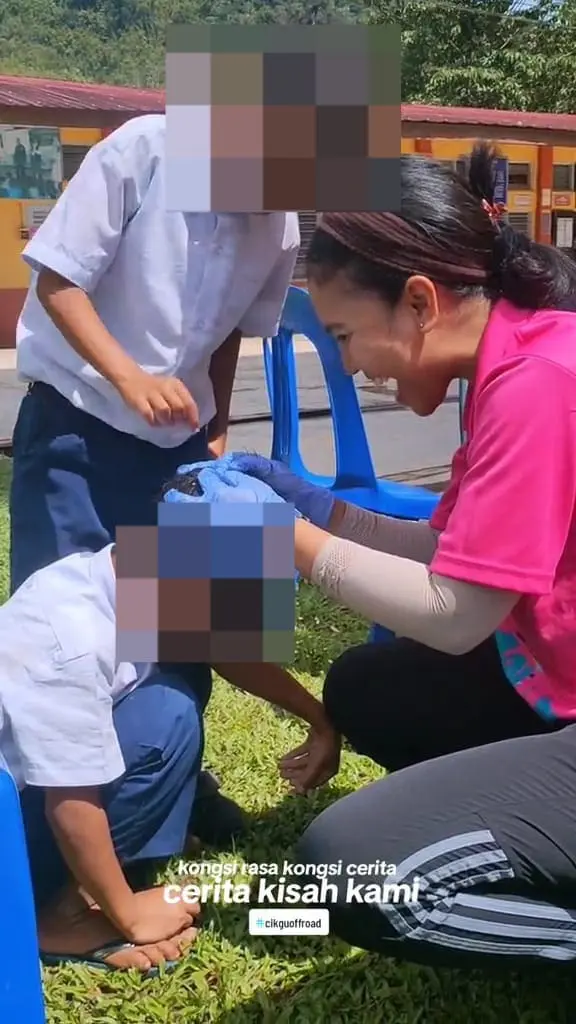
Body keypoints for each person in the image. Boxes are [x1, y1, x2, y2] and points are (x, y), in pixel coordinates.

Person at [212, 143, 576, 967]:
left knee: (347, 874)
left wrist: (289, 540)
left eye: (345, 336)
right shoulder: (512, 362)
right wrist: (317, 508)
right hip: (553, 686)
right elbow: (454, 553)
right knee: (366, 685)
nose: (348, 365)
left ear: (419, 301)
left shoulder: (539, 382)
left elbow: (457, 615)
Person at [10, 113, 299, 843]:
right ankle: (52, 810)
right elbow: (58, 280)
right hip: (78, 424)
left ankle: (176, 780)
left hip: (181, 442)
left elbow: (232, 333)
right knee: (70, 635)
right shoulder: (142, 149)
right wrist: (129, 377)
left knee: (193, 625)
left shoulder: (280, 225)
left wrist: (216, 431)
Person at [0, 469, 340, 973]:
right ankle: (59, 914)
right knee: (166, 716)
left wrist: (319, 719)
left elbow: (219, 645)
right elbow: (69, 805)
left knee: (175, 682)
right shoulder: (72, 640)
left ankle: (128, 853)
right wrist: (129, 915)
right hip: (10, 830)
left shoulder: (121, 574)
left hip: (28, 796)